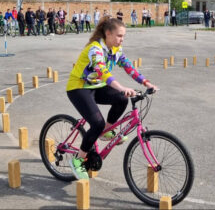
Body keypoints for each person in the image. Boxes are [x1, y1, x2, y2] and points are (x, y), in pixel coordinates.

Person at [66, 16, 158, 179]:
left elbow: (129, 67)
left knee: (121, 99)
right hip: (79, 87)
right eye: (119, 36)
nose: (121, 40)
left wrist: (146, 83)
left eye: (123, 37)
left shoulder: (115, 50)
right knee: (96, 123)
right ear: (108, 33)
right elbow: (101, 71)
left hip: (96, 86)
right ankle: (78, 160)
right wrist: (122, 87)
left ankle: (105, 131)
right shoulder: (95, 49)